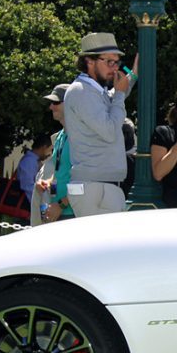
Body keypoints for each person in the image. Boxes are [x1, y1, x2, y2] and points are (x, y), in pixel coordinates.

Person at [63, 32, 134, 217]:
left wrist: (134, 73)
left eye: (117, 62)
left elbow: (118, 94)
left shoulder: (94, 91)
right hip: (95, 187)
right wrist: (119, 94)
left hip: (100, 187)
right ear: (89, 61)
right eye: (109, 62)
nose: (115, 68)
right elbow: (110, 131)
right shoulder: (82, 91)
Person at [36, 84, 74, 225]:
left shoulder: (80, 137)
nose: (51, 107)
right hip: (58, 211)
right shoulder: (60, 136)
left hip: (73, 213)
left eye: (56, 102)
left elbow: (85, 180)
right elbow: (60, 171)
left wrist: (61, 205)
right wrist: (48, 182)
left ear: (70, 103)